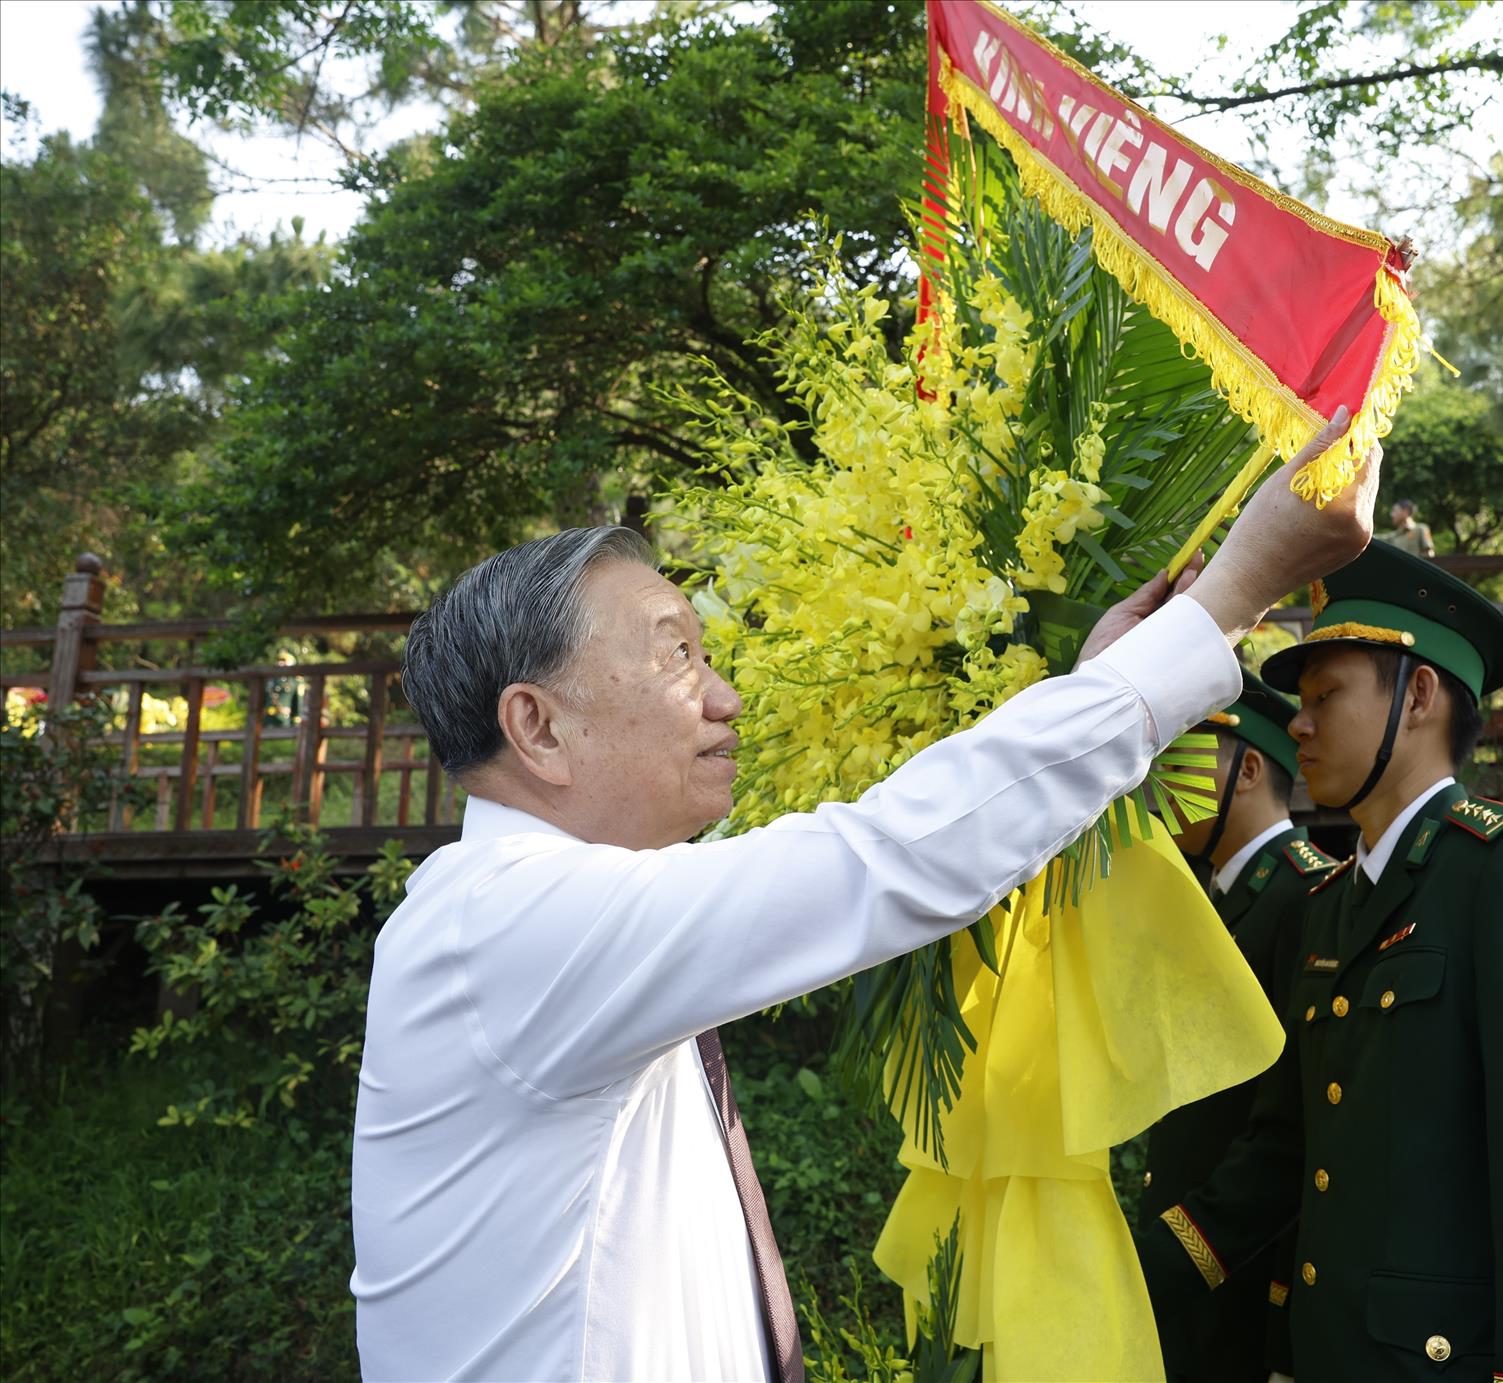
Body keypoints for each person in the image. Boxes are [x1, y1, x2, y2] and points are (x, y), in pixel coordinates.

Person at [348, 413, 1378, 1382]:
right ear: (536, 728)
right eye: (675, 653)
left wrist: (1096, 683)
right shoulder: (509, 926)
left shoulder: (544, 920)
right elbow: (882, 858)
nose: (725, 696)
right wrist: (1232, 593)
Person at [1135, 539, 1503, 1382]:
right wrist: (1135, 1272)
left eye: (1325, 695)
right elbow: (1286, 1147)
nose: (1298, 723)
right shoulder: (1333, 901)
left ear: (1420, 697)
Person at [1144, 670, 1340, 1382]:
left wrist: (1188, 1249)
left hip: (1245, 1271)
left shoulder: (1307, 894)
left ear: (1249, 768)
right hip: (1193, 1257)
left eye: (1181, 763)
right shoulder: (1219, 895)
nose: (1160, 784)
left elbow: (1297, 1119)